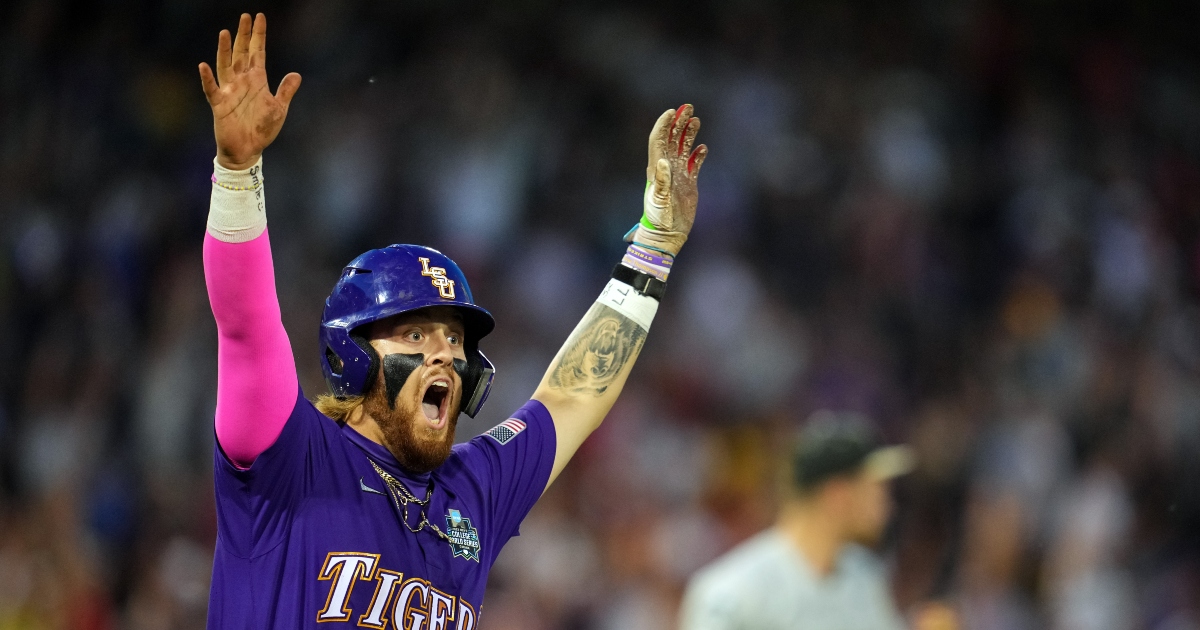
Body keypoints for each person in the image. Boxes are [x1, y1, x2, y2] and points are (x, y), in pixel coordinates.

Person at [196, 13, 707, 630]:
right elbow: (246, 323)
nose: (445, 354)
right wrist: (236, 170)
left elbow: (570, 394)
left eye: (456, 339)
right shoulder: (289, 454)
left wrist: (652, 247)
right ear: (353, 354)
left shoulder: (475, 489)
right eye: (416, 333)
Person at [679, 411, 916, 630]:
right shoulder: (733, 594)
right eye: (876, 490)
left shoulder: (865, 576)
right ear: (838, 495)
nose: (887, 504)